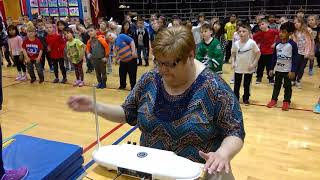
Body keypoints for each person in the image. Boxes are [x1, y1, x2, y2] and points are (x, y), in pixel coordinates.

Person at [68, 26, 245, 180]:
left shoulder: (214, 88)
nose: (162, 70)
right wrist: (95, 106)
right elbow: (127, 113)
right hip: (150, 170)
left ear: (190, 56)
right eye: (158, 62)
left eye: (169, 64)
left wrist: (223, 154)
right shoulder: (150, 79)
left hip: (195, 174)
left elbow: (234, 131)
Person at [267, 22, 298, 111]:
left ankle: (286, 101)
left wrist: (293, 70)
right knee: (276, 85)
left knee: (287, 87)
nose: (281, 34)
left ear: (290, 33)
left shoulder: (293, 45)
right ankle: (273, 100)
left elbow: (295, 59)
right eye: (280, 31)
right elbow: (274, 57)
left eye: (283, 32)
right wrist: (271, 68)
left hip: (288, 70)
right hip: (278, 69)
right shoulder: (277, 44)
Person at [231, 24, 261, 105]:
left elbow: (258, 53)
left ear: (249, 33)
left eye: (244, 31)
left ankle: (246, 98)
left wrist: (254, 64)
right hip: (238, 67)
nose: (241, 33)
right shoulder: (236, 43)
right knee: (236, 85)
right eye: (239, 31)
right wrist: (233, 62)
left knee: (246, 85)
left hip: (249, 68)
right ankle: (236, 98)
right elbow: (233, 53)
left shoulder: (252, 43)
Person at [253, 18, 279, 84]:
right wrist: (257, 44)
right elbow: (253, 39)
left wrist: (275, 43)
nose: (261, 26)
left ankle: (271, 78)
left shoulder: (273, 31)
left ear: (267, 24)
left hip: (270, 53)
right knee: (260, 67)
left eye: (262, 24)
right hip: (261, 53)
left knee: (270, 67)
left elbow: (281, 35)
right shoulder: (258, 33)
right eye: (259, 25)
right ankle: (259, 78)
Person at [291, 17, 314, 89]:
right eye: (294, 23)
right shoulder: (294, 32)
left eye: (297, 22)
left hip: (305, 52)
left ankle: (298, 81)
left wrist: (310, 52)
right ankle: (293, 80)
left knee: (302, 68)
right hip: (297, 52)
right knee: (295, 67)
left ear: (301, 22)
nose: (296, 24)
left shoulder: (308, 30)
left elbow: (311, 41)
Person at [86, 24, 110, 89]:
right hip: (94, 59)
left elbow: (107, 47)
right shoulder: (89, 41)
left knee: (103, 72)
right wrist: (88, 54)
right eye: (88, 32)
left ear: (96, 31)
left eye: (91, 31)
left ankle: (104, 83)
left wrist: (106, 57)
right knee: (97, 72)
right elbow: (87, 48)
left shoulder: (101, 39)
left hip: (102, 59)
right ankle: (99, 82)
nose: (90, 33)